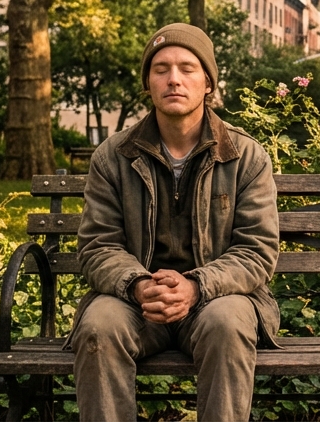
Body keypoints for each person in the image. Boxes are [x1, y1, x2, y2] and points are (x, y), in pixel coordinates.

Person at [70, 23, 279, 421]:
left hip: (216, 299)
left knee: (228, 322)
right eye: (161, 68)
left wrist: (197, 286)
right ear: (148, 83)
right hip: (136, 302)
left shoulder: (245, 156)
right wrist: (137, 285)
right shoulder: (113, 156)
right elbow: (98, 245)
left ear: (208, 83)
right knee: (99, 324)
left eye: (187, 68)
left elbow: (257, 251)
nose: (174, 79)